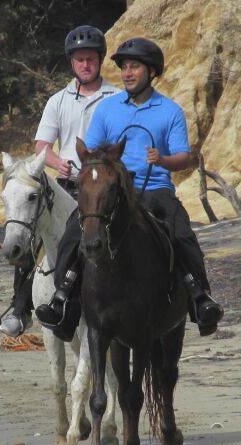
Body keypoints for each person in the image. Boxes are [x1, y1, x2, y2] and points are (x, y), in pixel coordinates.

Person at [36, 37, 224, 340]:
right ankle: (63, 301)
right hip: (111, 192)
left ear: (152, 72)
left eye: (134, 66)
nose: (127, 73)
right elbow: (93, 153)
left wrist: (162, 159)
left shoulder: (170, 110)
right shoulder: (109, 110)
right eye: (124, 67)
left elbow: (184, 157)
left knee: (181, 233)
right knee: (75, 230)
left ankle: (201, 299)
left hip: (155, 191)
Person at [0, 25, 121, 337]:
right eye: (80, 59)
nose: (85, 64)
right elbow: (42, 147)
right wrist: (59, 163)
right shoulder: (58, 101)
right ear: (72, 63)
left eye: (91, 59)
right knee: (33, 232)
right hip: (67, 183)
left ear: (100, 60)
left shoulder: (117, 98)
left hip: (102, 185)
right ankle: (20, 308)